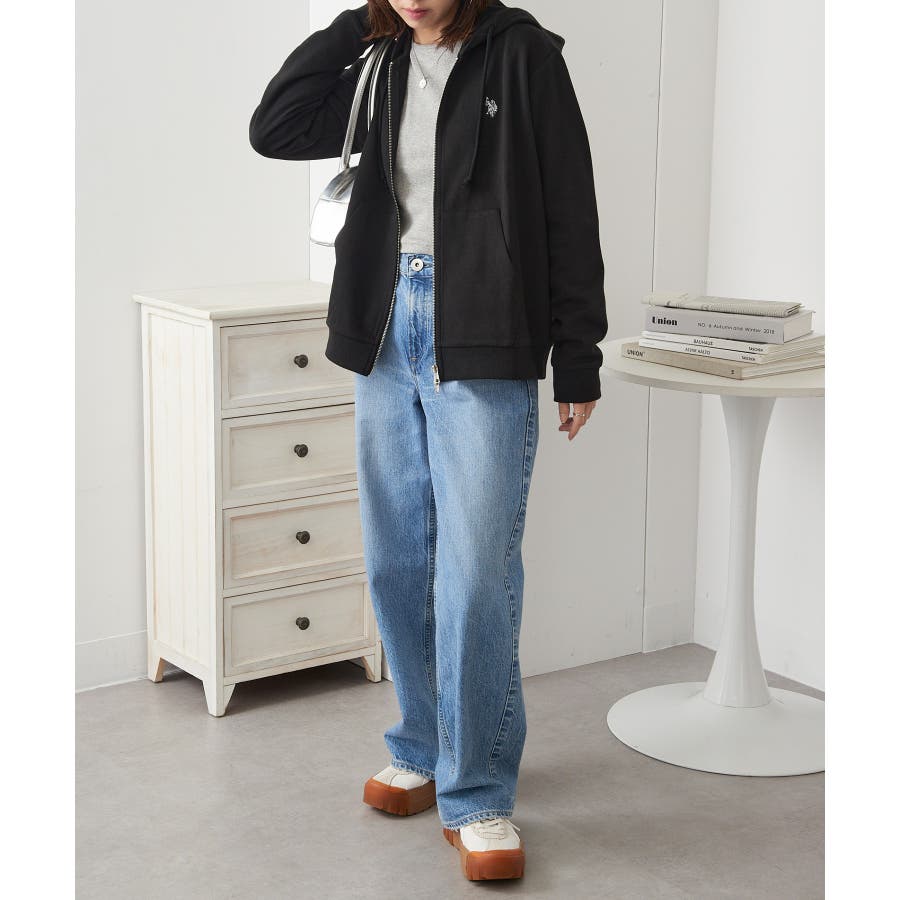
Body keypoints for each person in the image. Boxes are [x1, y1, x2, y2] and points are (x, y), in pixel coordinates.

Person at [249, 0, 607, 882]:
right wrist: (353, 27)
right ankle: (419, 744)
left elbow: (570, 207)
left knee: (477, 572)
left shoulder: (524, 57)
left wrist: (578, 355)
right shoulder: (377, 60)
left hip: (484, 323)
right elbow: (275, 128)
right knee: (397, 560)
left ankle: (478, 792)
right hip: (384, 327)